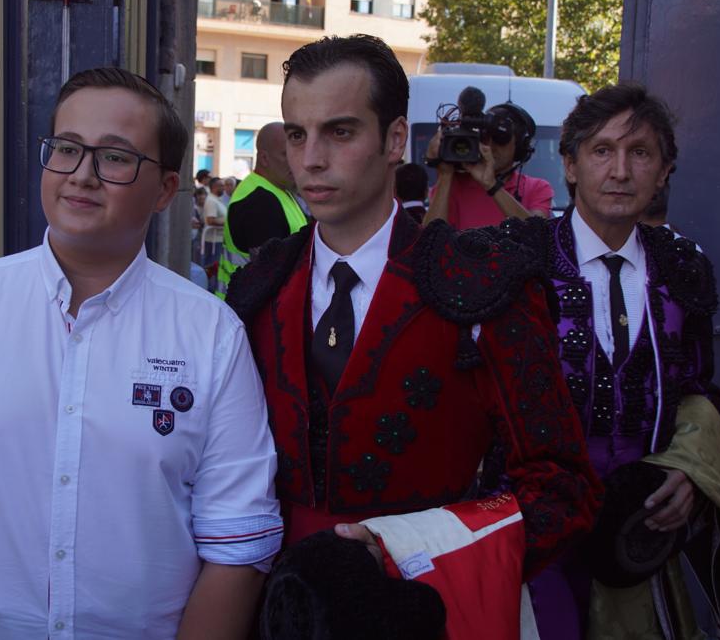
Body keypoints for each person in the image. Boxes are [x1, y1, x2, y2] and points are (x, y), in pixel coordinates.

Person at [0, 67, 282, 639]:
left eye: (116, 157)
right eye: (67, 148)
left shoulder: (211, 335)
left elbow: (235, 547)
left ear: (166, 190)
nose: (82, 175)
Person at [226, 35, 601, 636]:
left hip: (429, 609)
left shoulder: (479, 282)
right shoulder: (258, 288)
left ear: (395, 139)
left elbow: (562, 487)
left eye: (340, 132)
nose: (311, 159)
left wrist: (415, 549)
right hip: (274, 609)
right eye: (298, 135)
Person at [500, 82, 720, 639]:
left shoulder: (682, 268)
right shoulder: (516, 261)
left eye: (640, 153)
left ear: (664, 171)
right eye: (602, 151)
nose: (621, 171)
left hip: (639, 525)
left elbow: (698, 391)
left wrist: (688, 471)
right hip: (533, 529)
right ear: (571, 165)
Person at [423, 100, 553, 229]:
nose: (490, 146)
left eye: (500, 139)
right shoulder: (453, 185)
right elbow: (429, 240)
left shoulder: (537, 188)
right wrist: (445, 176)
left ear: (520, 147)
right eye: (485, 137)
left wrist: (492, 186)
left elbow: (537, 234)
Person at [216, 122, 307, 299]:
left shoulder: (276, 190)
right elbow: (269, 279)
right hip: (250, 318)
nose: (297, 162)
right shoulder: (260, 202)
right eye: (286, 154)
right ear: (264, 159)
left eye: (298, 153)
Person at [201, 176, 228, 291]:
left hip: (218, 239)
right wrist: (227, 222)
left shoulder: (217, 199)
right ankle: (209, 290)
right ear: (214, 187)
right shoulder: (211, 201)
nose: (224, 188)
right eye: (221, 185)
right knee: (211, 269)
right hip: (213, 241)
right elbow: (210, 220)